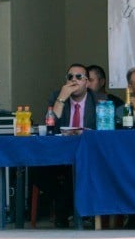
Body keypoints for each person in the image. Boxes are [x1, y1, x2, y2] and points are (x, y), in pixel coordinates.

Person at [37, 63, 97, 226]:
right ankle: (65, 207)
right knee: (37, 171)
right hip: (61, 152)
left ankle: (63, 212)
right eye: (70, 77)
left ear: (87, 82)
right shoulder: (57, 96)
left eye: (79, 77)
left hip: (88, 154)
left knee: (77, 172)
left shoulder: (97, 100)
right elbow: (51, 125)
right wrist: (62, 98)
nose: (73, 80)